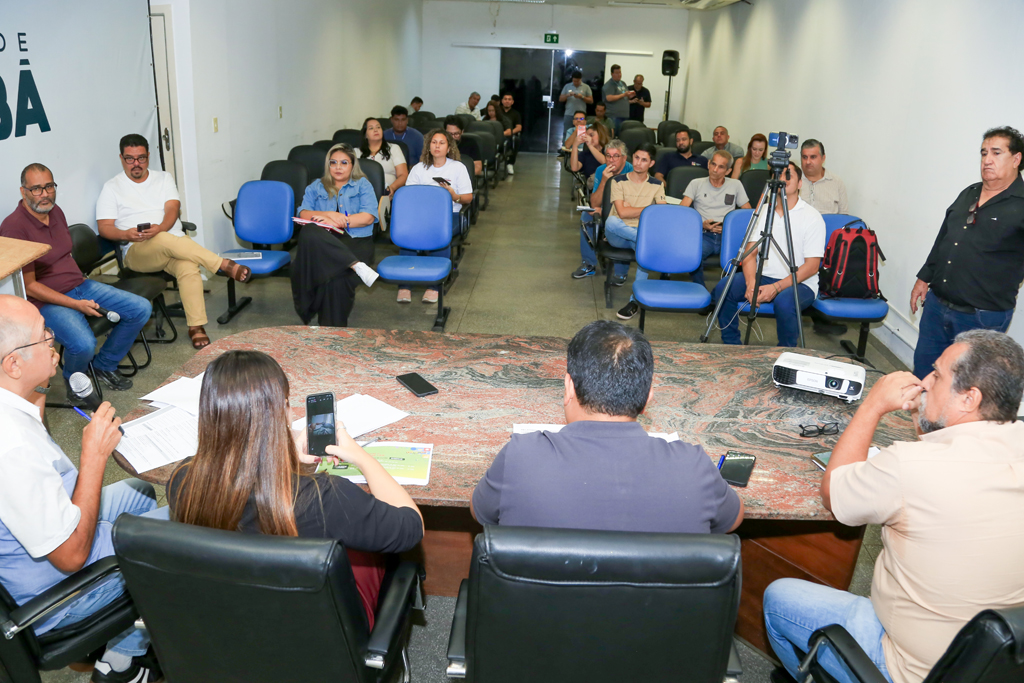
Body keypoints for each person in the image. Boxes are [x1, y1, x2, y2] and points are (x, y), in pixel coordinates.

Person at [765, 330, 1024, 683]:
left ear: (969, 398)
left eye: (937, 374)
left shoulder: (909, 466)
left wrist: (872, 405)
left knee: (778, 597)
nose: (927, 381)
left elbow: (834, 492)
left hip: (908, 666)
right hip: (995, 662)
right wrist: (931, 418)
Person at [167, 350, 424, 629]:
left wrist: (284, 452)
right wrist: (362, 458)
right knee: (368, 550)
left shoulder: (182, 480)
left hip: (234, 620)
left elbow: (245, 470)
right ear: (284, 411)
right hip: (321, 634)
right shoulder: (325, 498)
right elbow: (411, 527)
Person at [0, 294, 165, 683]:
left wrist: (34, 396)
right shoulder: (11, 447)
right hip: (58, 592)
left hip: (55, 523)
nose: (54, 343)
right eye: (44, 336)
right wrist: (93, 457)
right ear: (13, 363)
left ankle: (111, 637)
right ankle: (121, 664)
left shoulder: (11, 404)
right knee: (191, 524)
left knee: (140, 491)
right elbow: (72, 556)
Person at [472, 320, 743, 533]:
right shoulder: (693, 465)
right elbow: (732, 520)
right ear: (648, 396)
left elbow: (481, 513)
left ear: (568, 387)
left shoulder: (521, 456)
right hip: (654, 605)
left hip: (540, 605)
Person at [0, 164, 150, 398]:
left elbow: (64, 255)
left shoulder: (55, 211)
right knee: (83, 344)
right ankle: (75, 381)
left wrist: (80, 294)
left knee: (141, 308)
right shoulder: (13, 227)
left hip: (80, 285)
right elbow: (29, 286)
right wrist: (75, 305)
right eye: (37, 189)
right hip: (45, 301)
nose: (45, 194)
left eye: (49, 186)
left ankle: (104, 365)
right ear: (23, 191)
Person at [96, 134, 252, 350]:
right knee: (163, 239)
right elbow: (104, 227)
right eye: (130, 159)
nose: (136, 164)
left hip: (172, 245)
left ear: (148, 156)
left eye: (141, 158)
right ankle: (220, 264)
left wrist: (160, 227)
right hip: (138, 252)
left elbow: (172, 209)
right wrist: (126, 235)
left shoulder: (163, 178)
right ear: (121, 158)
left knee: (188, 266)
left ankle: (196, 326)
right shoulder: (112, 187)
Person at [910, 126, 1024, 379]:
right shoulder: (969, 193)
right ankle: (918, 419)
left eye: (996, 153)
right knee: (924, 375)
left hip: (981, 317)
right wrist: (923, 277)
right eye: (984, 153)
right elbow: (944, 238)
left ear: (1016, 159)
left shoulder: (1021, 204)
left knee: (962, 385)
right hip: (937, 305)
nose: (987, 160)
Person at [713, 162, 823, 347]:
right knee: (724, 287)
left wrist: (777, 288)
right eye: (778, 175)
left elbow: (812, 266)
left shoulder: (812, 217)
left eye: (788, 175)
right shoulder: (764, 211)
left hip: (800, 283)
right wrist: (751, 284)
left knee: (784, 303)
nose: (782, 179)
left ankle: (786, 354)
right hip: (763, 276)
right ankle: (732, 346)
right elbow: (749, 252)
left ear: (799, 183)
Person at [290, 144, 379, 328]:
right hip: (325, 242)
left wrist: (342, 220)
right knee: (309, 230)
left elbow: (368, 217)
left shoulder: (363, 184)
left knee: (336, 279)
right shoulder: (316, 186)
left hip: (356, 241)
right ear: (328, 166)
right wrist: (328, 217)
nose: (338, 167)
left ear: (352, 165)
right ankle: (355, 264)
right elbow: (303, 213)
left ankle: (332, 335)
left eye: (344, 163)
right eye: (333, 163)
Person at [402, 129, 473, 304]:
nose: (437, 146)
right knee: (406, 234)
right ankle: (404, 284)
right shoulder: (419, 168)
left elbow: (468, 198)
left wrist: (453, 195)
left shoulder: (458, 168)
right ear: (428, 146)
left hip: (449, 215)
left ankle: (433, 285)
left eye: (442, 143)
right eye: (434, 142)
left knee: (439, 233)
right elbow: (408, 195)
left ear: (449, 147)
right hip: (421, 215)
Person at [600, 143, 667, 321]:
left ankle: (634, 301)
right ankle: (648, 244)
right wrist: (649, 208)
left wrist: (635, 209)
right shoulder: (618, 181)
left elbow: (661, 214)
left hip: (639, 234)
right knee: (612, 220)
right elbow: (622, 213)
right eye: (636, 158)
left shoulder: (657, 185)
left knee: (641, 246)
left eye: (643, 160)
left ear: (651, 163)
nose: (638, 163)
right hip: (617, 234)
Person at [681, 150, 752, 288]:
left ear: (728, 171)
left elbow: (748, 213)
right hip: (703, 234)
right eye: (713, 164)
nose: (715, 169)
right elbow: (682, 213)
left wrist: (730, 228)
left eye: (721, 167)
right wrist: (701, 225)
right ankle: (700, 288)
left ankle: (721, 293)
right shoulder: (696, 183)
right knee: (693, 256)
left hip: (727, 236)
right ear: (708, 164)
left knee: (746, 258)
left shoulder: (735, 185)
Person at [572, 140, 633, 279]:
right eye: (608, 156)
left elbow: (630, 203)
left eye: (616, 156)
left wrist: (607, 211)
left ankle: (620, 273)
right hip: (606, 209)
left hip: (625, 212)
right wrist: (605, 181)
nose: (611, 160)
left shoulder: (631, 171)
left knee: (622, 222)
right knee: (586, 217)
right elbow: (594, 202)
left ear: (624, 158)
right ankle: (589, 264)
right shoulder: (601, 170)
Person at [357, 116, 408, 228]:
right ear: (365, 134)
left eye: (378, 127)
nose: (376, 130)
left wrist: (392, 188)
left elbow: (403, 175)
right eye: (371, 128)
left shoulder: (394, 149)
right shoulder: (356, 153)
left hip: (386, 192)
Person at [799, 139, 849, 214]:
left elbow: (844, 216)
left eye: (813, 157)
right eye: (805, 157)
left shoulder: (836, 182)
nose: (808, 162)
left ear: (823, 158)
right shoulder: (791, 178)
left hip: (829, 225)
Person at [601, 64, 631, 132]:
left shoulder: (622, 83)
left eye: (620, 72)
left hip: (624, 115)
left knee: (623, 136)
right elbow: (609, 98)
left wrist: (629, 95)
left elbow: (624, 96)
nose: (619, 74)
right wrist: (623, 95)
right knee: (614, 137)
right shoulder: (609, 85)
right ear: (612, 74)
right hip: (614, 116)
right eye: (617, 73)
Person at [499, 92, 522, 175]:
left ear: (512, 102)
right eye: (505, 99)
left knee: (516, 140)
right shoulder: (497, 111)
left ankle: (510, 164)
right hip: (497, 135)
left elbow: (519, 127)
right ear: (502, 101)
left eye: (509, 99)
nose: (507, 101)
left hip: (509, 136)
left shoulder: (516, 114)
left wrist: (510, 132)